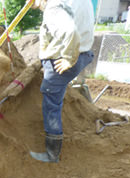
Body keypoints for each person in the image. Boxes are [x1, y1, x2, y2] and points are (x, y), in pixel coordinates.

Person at [30, 0, 95, 163]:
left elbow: (69, 32)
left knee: (50, 98)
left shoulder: (54, 7)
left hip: (65, 59)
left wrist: (68, 58)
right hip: (84, 52)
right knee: (56, 91)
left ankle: (52, 154)